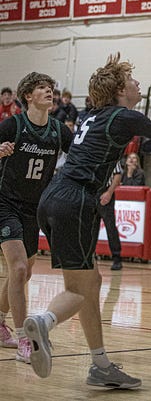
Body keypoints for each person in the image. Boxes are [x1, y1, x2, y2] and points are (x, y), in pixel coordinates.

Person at [22, 53, 151, 388]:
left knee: (92, 284)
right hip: (76, 202)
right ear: (120, 89)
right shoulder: (125, 116)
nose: (138, 83)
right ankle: (44, 321)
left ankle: (100, 365)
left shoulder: (99, 115)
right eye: (132, 80)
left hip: (53, 198)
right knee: (79, 289)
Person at [0, 73, 73, 362]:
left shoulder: (58, 130)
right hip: (4, 203)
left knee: (24, 272)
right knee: (18, 269)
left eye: (51, 88)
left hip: (35, 208)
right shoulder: (12, 125)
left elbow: (80, 155)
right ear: (28, 95)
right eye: (43, 88)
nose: (49, 92)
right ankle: (23, 341)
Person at [97, 162, 123, 271]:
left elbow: (117, 175)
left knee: (110, 226)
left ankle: (117, 257)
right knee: (90, 227)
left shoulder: (113, 156)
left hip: (106, 191)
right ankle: (88, 256)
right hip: (92, 192)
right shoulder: (90, 153)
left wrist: (109, 192)